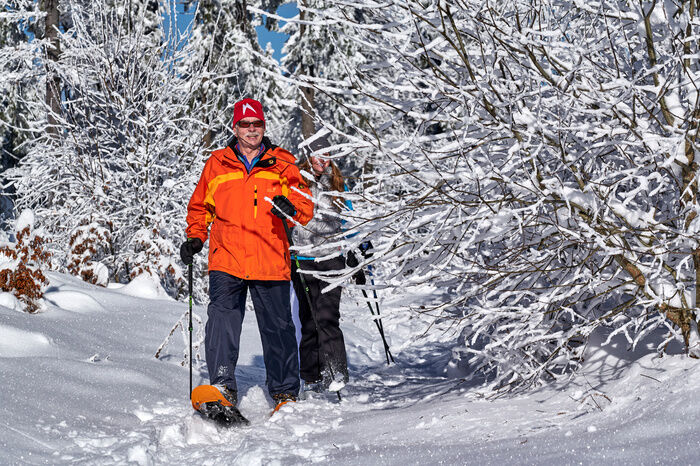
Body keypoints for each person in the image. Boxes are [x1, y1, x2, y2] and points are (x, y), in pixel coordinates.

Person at [180, 98, 313, 408]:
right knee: (222, 321)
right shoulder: (217, 163)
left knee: (278, 327)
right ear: (235, 128)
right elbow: (200, 206)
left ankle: (284, 391)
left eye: (257, 124)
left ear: (263, 127)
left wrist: (291, 209)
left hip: (270, 256)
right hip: (227, 257)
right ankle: (223, 387)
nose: (252, 130)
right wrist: (196, 237)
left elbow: (304, 204)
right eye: (245, 124)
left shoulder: (283, 162)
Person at [291, 134, 353, 391]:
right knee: (308, 320)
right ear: (308, 156)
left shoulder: (339, 185)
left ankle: (337, 372)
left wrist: (354, 250)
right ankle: (311, 375)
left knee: (327, 317)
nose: (321, 160)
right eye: (317, 154)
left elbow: (352, 219)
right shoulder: (295, 182)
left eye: (326, 154)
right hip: (302, 259)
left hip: (331, 259)